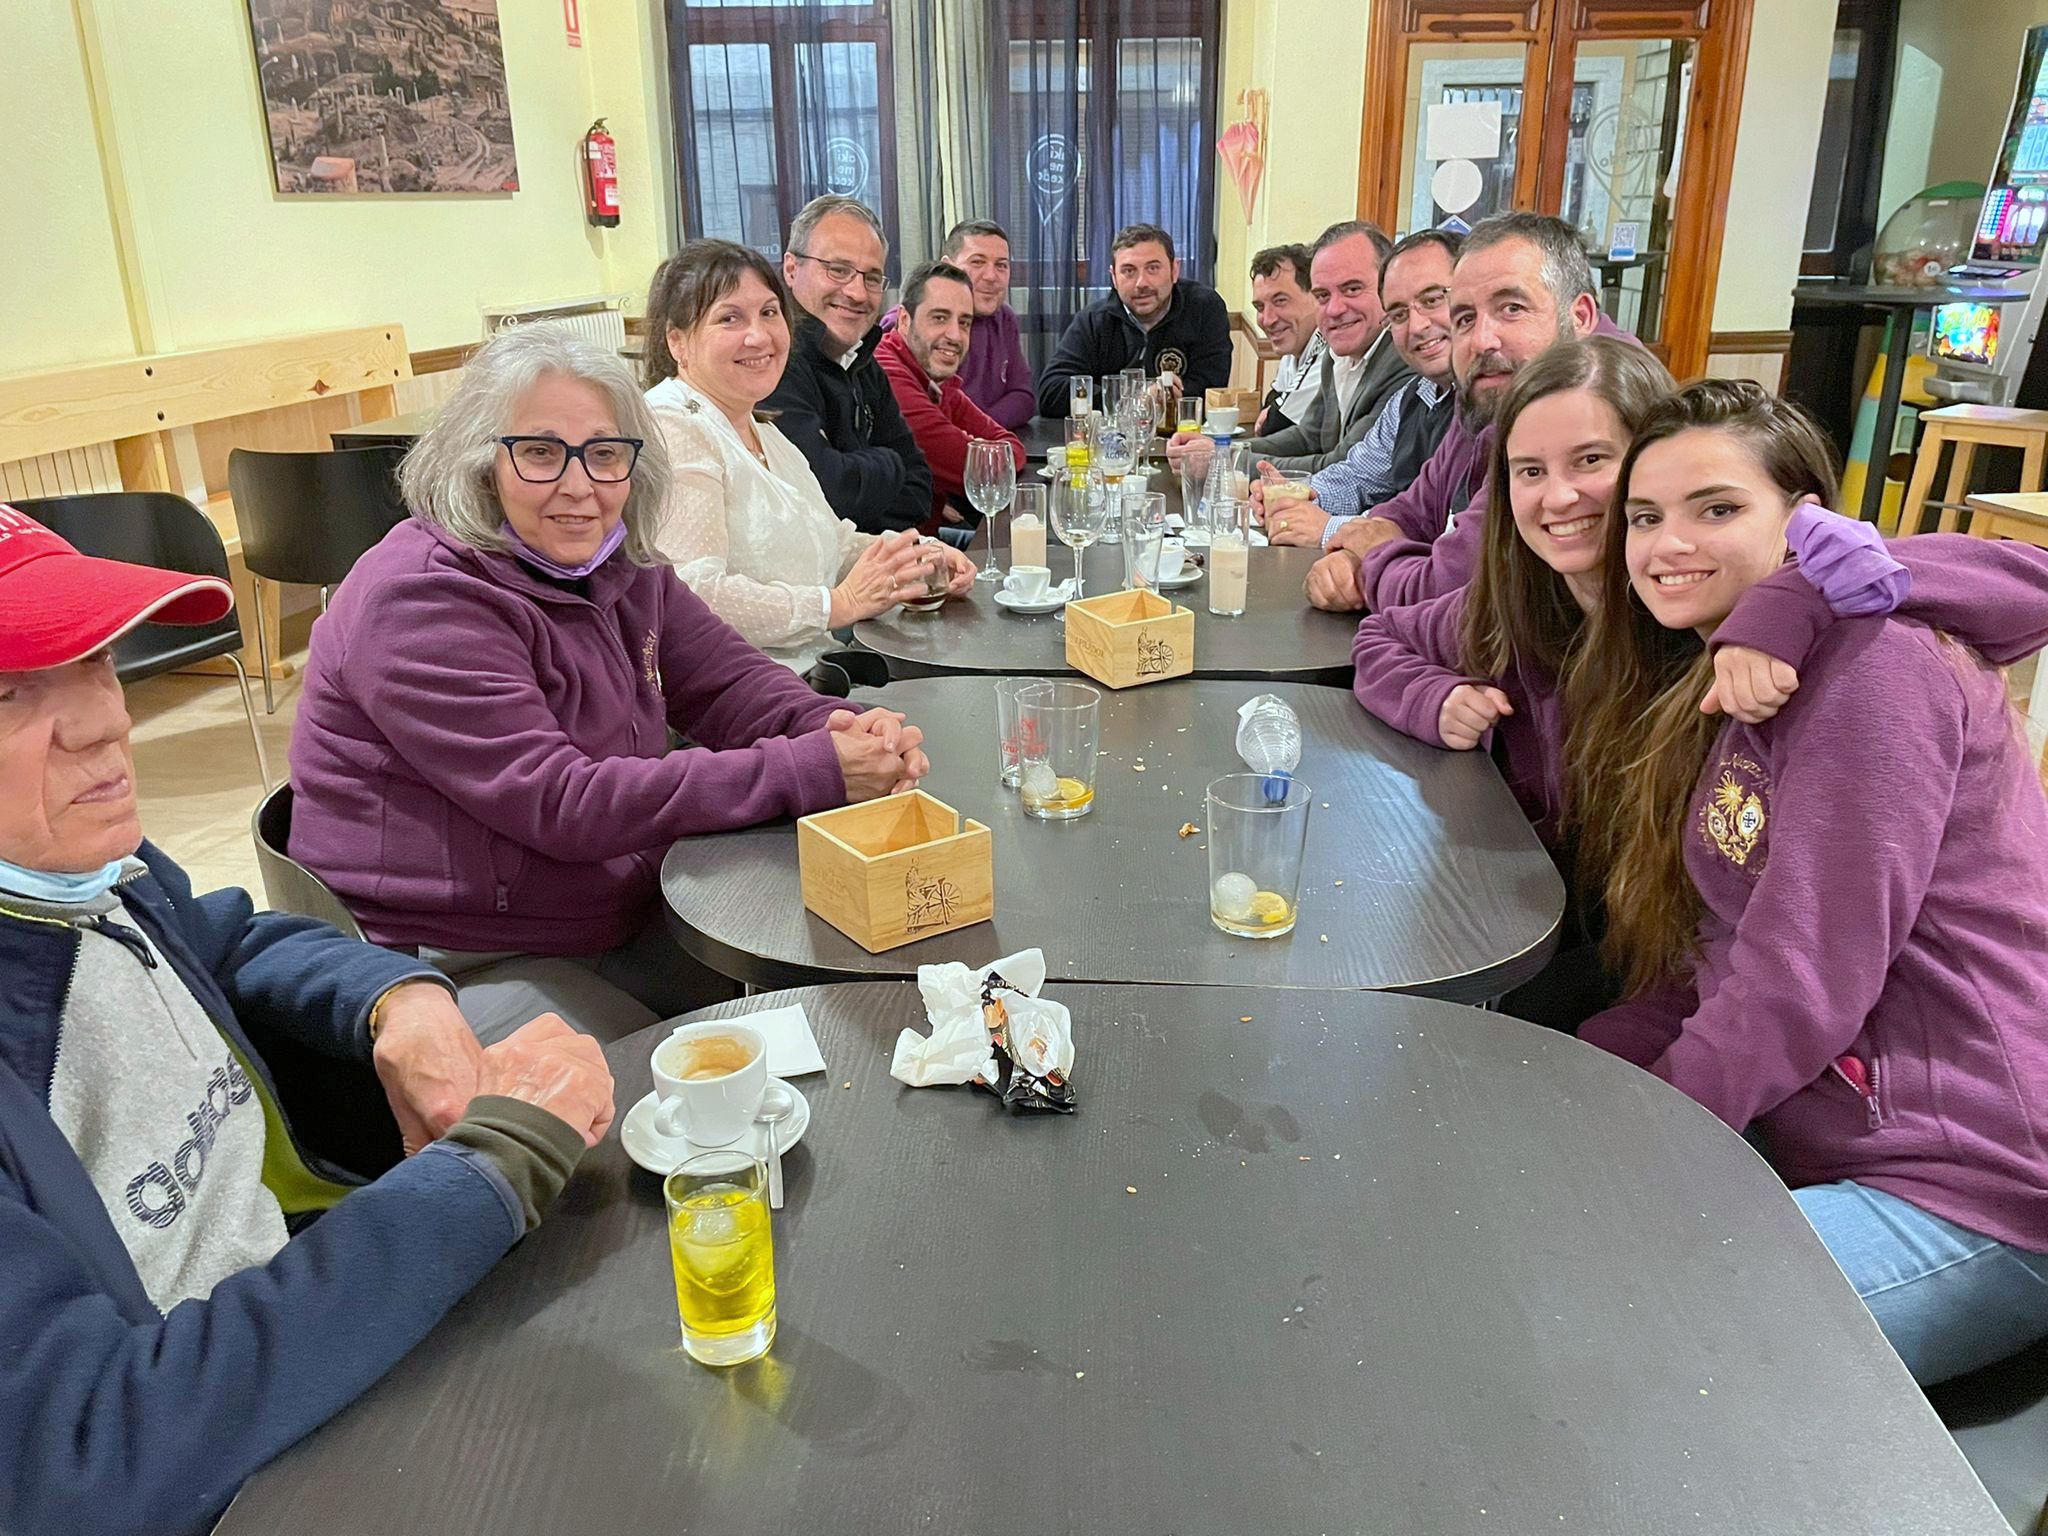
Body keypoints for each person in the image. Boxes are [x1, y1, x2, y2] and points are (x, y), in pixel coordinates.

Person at [0, 506, 617, 1536]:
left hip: (307, 1291)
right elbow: (85, 1458)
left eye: (97, 659)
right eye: (10, 692)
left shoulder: (85, 870)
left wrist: (395, 998)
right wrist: (487, 1170)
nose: (106, 720)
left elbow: (225, 940)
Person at [1566, 380, 2048, 1386]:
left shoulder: (1875, 669)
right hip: (1831, 1140)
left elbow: (1799, 982)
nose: (1666, 545)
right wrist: (1580, 1082)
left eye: (1716, 508)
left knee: (1614, 1343)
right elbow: (1719, 951)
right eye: (1644, 518)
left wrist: (1639, 1130)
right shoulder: (1743, 679)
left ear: (1807, 523)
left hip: (1972, 1188)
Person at [290, 325, 932, 1046]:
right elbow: (563, 803)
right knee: (741, 1064)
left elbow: (728, 685)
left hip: (599, 903)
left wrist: (830, 725)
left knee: (840, 1001)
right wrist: (807, 768)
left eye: (603, 454)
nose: (579, 486)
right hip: (456, 957)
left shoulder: (616, 561)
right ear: (480, 462)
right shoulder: (419, 599)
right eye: (539, 453)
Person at [1347, 339, 2002, 1029]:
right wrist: (1436, 698)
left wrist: (1793, 598)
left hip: (1730, 984)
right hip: (1594, 917)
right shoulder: (1528, 604)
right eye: (1529, 470)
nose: (1559, 495)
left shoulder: (1723, 622)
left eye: (1591, 460)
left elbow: (1785, 962)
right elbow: (1384, 638)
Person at [642, 240, 973, 675]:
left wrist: (918, 555)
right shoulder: (672, 425)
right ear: (677, 341)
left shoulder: (764, 431)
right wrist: (835, 605)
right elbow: (692, 595)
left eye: (769, 312)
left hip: (811, 673)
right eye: (729, 318)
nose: (759, 336)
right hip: (739, 695)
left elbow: (834, 544)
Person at [1301, 211, 1628, 613]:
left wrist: (1370, 560)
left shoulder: (1594, 400)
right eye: (1466, 318)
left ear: (1580, 317)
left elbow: (1455, 588)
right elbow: (1417, 508)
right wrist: (1356, 549)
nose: (1482, 340)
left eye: (1511, 308)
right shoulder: (1488, 387)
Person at [1257, 229, 1463, 549]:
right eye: (1399, 313)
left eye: (1432, 300)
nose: (1417, 325)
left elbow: (1451, 539)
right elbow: (1360, 476)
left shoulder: (1499, 404)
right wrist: (1300, 495)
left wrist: (1329, 529)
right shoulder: (1416, 394)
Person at [761, 195, 934, 534]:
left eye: (872, 278)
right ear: (791, 269)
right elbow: (826, 494)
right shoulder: (771, 362)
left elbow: (920, 491)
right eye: (838, 270)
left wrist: (853, 482)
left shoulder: (863, 361)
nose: (857, 292)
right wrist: (890, 462)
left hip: (882, 558)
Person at [1234, 220, 1412, 472]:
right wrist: (1222, 450)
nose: (1334, 309)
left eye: (1352, 289)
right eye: (1323, 296)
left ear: (1389, 288)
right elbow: (1308, 437)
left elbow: (1343, 467)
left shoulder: (1403, 361)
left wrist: (1231, 462)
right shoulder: (1335, 354)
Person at [876, 260, 1027, 533]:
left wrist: (980, 450)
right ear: (904, 320)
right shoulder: (888, 373)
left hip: (925, 543)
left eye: (964, 322)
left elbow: (1010, 446)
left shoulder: (936, 379)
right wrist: (981, 450)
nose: (955, 335)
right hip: (895, 552)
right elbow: (971, 468)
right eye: (939, 318)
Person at [1036, 223, 1233, 417]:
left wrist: (1165, 396)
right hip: (1111, 435)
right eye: (1129, 271)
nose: (1141, 283)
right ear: (1114, 278)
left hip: (1185, 433)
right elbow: (1051, 392)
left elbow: (1212, 387)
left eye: (1153, 268)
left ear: (1174, 270)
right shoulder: (1094, 320)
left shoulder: (1204, 308)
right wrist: (1136, 399)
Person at [886, 219, 1036, 430]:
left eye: (1001, 265)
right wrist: (977, 433)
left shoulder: (1004, 318)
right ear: (948, 266)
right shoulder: (906, 323)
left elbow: (1023, 397)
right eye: (977, 262)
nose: (991, 276)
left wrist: (981, 430)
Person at [1245, 243, 1326, 435]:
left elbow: (1276, 424)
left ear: (1315, 296)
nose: (1267, 319)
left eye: (1280, 301)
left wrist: (1272, 413)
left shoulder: (1328, 349)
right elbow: (1272, 401)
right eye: (1260, 307)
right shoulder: (1294, 346)